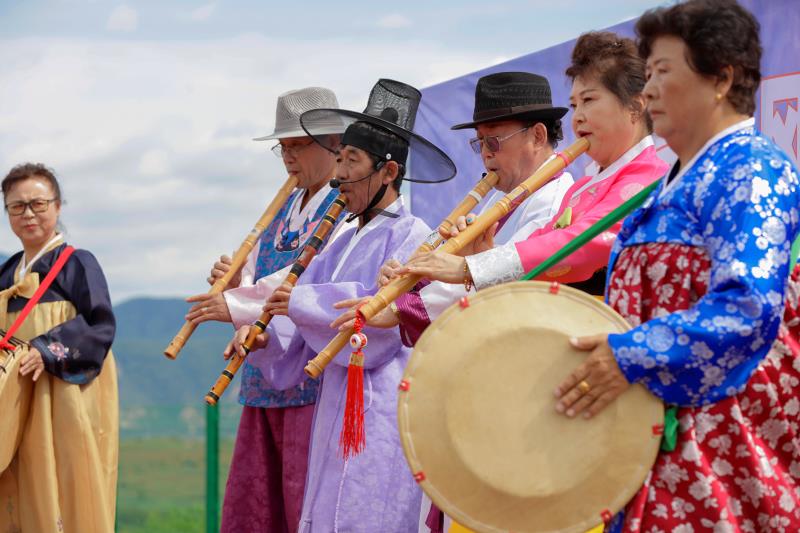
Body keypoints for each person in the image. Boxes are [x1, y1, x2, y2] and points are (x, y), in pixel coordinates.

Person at [553, 1, 800, 530]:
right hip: (648, 446)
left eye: (663, 71)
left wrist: (629, 353)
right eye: (648, 74)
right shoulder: (673, 181)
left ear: (721, 78)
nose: (648, 91)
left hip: (718, 453)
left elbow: (747, 308)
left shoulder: (751, 168)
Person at [226, 79, 456, 532]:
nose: (340, 174)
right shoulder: (341, 239)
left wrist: (301, 302)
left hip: (383, 403)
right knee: (327, 508)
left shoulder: (414, 236)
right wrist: (264, 335)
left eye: (352, 161)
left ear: (388, 173)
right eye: (341, 158)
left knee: (370, 510)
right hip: (335, 400)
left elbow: (376, 317)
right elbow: (296, 309)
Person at [389, 32, 668, 308]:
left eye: (589, 100)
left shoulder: (648, 179)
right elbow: (539, 250)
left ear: (635, 105)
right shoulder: (582, 188)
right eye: (574, 105)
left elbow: (583, 243)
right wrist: (482, 254)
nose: (578, 115)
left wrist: (470, 266)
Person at [185, 87, 354, 533]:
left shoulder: (347, 210)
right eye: (284, 147)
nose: (288, 158)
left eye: (298, 146)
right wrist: (235, 282)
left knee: (303, 502)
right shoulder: (282, 211)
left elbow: (306, 283)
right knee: (258, 506)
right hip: (263, 373)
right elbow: (264, 278)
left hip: (312, 378)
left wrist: (237, 304)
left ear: (335, 144)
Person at [332, 72, 574, 345]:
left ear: (538, 136)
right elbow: (465, 273)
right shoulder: (501, 198)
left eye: (492, 141)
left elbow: (500, 276)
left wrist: (402, 307)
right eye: (479, 143)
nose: (485, 154)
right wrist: (410, 280)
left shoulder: (553, 201)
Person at [0, 163, 117, 533]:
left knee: (61, 483)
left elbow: (100, 326)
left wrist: (45, 350)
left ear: (58, 206)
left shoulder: (78, 263)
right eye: (17, 206)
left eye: (38, 203)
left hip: (61, 395)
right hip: (12, 397)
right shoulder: (6, 274)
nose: (28, 214)